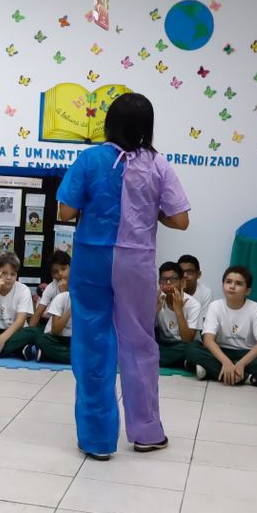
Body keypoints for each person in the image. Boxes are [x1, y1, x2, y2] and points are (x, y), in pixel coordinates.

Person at [57, 93, 189, 458]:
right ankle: (147, 432)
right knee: (139, 343)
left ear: (109, 123)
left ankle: (97, 440)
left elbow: (66, 212)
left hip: (92, 260)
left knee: (91, 343)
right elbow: (180, 219)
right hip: (137, 261)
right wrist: (151, 214)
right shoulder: (158, 164)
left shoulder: (90, 159)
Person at [183, 265, 257, 388]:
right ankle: (249, 378)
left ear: (247, 290)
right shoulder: (215, 306)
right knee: (192, 348)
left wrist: (241, 364)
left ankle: (211, 371)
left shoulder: (255, 308)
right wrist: (225, 361)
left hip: (246, 354)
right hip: (222, 352)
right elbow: (208, 339)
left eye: (239, 283)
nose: (232, 286)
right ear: (223, 286)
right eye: (228, 282)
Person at [155, 260, 202, 368]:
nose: (167, 283)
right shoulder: (157, 300)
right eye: (163, 280)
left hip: (184, 345)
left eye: (172, 279)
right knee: (144, 345)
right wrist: (154, 311)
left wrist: (179, 311)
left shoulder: (193, 304)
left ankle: (161, 359)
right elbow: (145, 332)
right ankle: (188, 363)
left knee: (192, 350)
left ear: (182, 282)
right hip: (165, 344)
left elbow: (188, 340)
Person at [20, 283, 72, 363]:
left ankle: (49, 354)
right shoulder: (60, 297)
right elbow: (55, 330)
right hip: (57, 336)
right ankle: (77, 358)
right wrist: (71, 307)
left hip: (76, 340)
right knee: (41, 339)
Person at [29, 249, 72, 329]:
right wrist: (28, 331)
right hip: (53, 325)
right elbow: (38, 313)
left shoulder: (79, 286)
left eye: (63, 269)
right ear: (52, 275)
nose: (60, 274)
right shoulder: (52, 287)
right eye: (55, 272)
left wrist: (64, 292)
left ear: (71, 268)